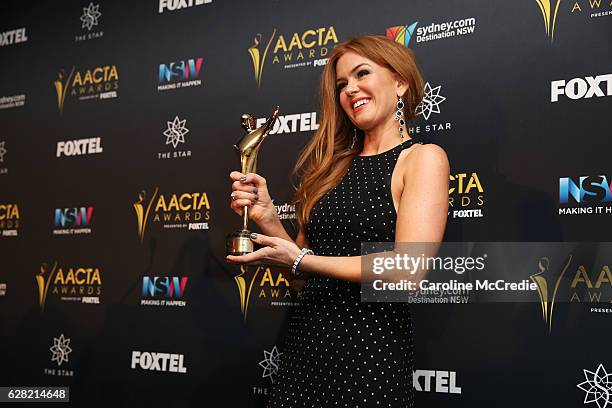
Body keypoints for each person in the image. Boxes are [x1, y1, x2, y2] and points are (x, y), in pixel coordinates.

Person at [228, 35, 449, 407]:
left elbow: (408, 270)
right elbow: (300, 279)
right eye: (342, 84)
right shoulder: (331, 168)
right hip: (303, 355)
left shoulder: (422, 158)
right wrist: (267, 218)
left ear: (400, 82)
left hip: (368, 359)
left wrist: (300, 259)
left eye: (362, 73)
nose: (350, 90)